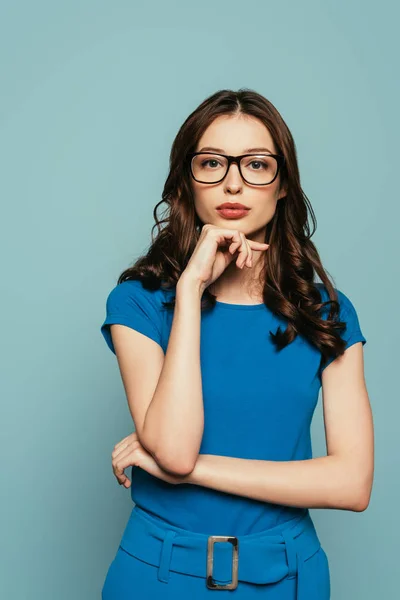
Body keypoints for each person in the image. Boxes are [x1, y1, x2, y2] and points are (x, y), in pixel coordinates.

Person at [99, 88, 374, 599]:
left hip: (288, 576)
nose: (233, 182)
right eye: (211, 163)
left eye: (256, 165)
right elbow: (175, 450)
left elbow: (352, 484)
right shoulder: (139, 304)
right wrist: (189, 290)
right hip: (159, 574)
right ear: (187, 180)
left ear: (283, 183)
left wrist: (187, 471)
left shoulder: (326, 311)